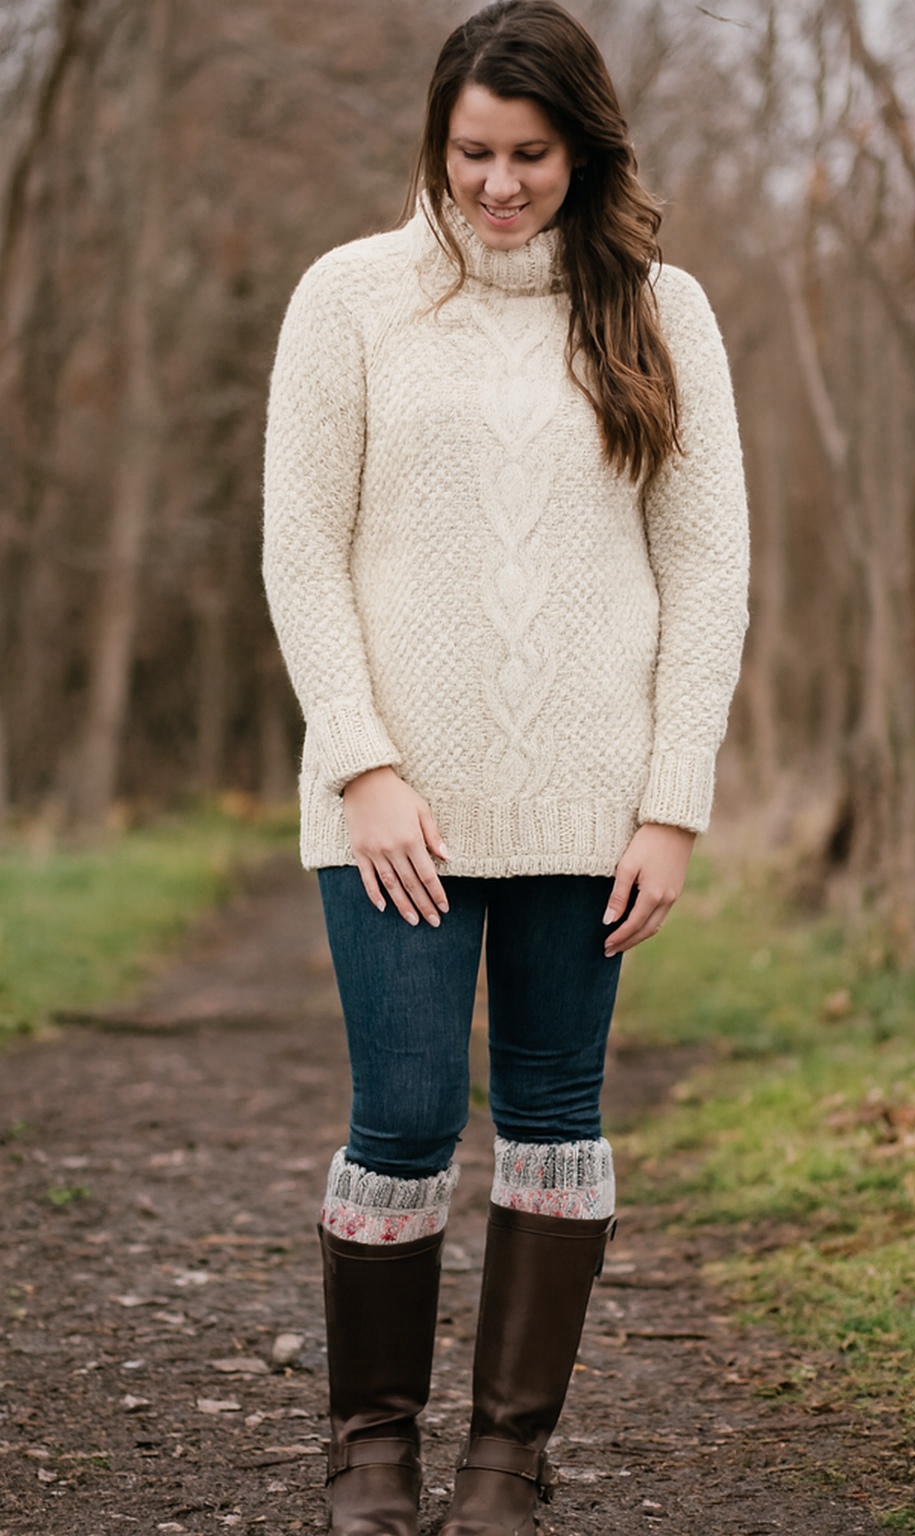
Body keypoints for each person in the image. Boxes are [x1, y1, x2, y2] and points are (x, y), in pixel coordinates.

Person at [263, 2, 748, 1532]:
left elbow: (709, 570)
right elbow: (300, 551)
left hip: (590, 809)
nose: (497, 184)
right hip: (395, 804)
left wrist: (671, 804)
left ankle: (503, 1467)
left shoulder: (661, 310)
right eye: (472, 151)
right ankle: (371, 1457)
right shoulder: (350, 299)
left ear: (580, 149)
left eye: (528, 155)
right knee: (403, 1118)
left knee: (555, 1116)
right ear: (438, 141)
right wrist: (362, 761)